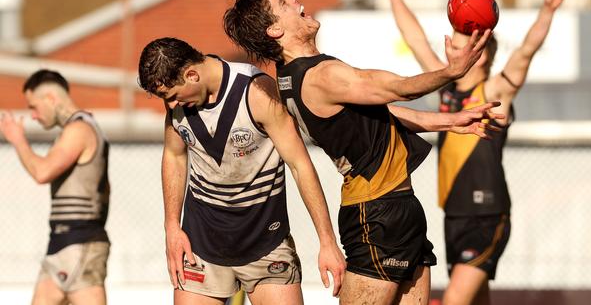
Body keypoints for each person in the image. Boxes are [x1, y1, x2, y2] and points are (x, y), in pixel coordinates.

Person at [223, 0, 503, 305]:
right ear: (274, 30)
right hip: (376, 214)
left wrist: (448, 120)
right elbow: (397, 88)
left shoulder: (295, 75)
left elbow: (381, 111)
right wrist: (451, 72)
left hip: (398, 208)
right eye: (283, 1)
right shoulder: (320, 76)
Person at [370, 0, 565, 305]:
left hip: (486, 215)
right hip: (454, 215)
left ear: (480, 53)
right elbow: (413, 37)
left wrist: (548, 11)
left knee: (454, 299)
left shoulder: (494, 92)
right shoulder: (446, 89)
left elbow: (525, 52)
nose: (449, 50)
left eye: (458, 44)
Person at [137, 37, 346, 305]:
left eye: (173, 96)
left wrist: (327, 242)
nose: (172, 105)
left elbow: (300, 165)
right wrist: (171, 228)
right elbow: (175, 156)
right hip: (201, 244)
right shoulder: (177, 102)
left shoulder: (256, 91)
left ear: (191, 74)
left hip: (265, 241)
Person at [0, 70, 111, 305]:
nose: (33, 116)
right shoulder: (76, 130)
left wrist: (18, 139)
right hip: (62, 242)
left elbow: (42, 173)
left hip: (79, 242)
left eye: (34, 107)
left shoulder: (79, 130)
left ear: (51, 99)